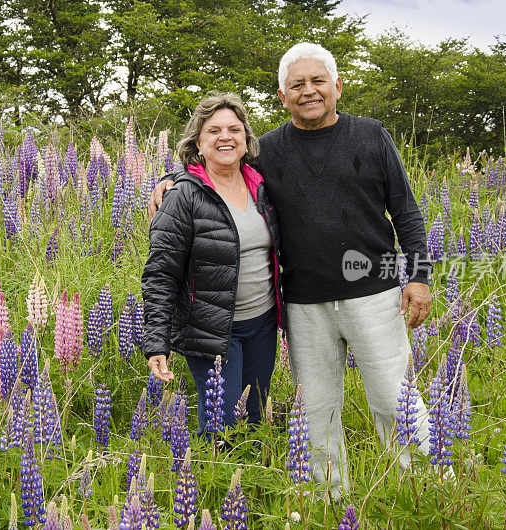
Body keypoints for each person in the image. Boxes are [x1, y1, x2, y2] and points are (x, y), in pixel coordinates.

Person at [148, 43, 434, 498]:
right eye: (296, 85)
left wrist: (418, 277)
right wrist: (171, 179)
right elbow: (217, 165)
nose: (308, 92)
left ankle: (426, 488)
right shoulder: (270, 150)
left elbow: (407, 213)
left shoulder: (372, 135)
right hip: (303, 303)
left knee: (394, 399)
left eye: (317, 81)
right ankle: (328, 500)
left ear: (337, 86)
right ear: (282, 97)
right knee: (316, 411)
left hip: (374, 294)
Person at [142, 93, 281, 434]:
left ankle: (248, 485)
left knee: (254, 420)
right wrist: (157, 341)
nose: (225, 137)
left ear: (246, 140)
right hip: (212, 329)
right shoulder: (182, 195)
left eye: (234, 129)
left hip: (262, 324)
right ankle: (218, 485)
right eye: (213, 131)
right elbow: (161, 273)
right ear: (198, 144)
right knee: (223, 425)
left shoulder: (260, 184)